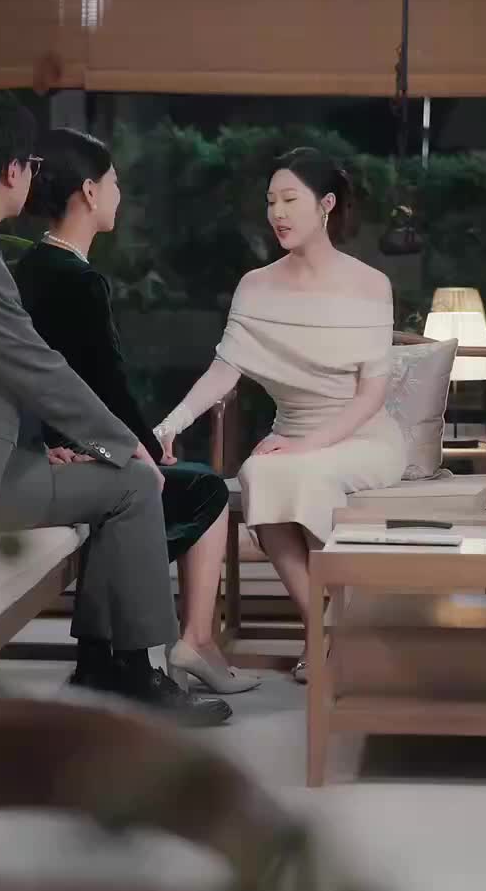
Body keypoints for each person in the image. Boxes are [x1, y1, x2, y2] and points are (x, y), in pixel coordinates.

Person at [0, 96, 230, 727]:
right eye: (31, 163)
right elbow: (40, 369)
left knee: (119, 479)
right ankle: (134, 673)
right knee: (133, 483)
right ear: (13, 170)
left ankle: (107, 664)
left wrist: (48, 446)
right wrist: (123, 445)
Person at [12, 129, 258, 698]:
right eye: (115, 182)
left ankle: (109, 654)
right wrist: (142, 450)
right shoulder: (78, 280)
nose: (119, 195)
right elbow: (106, 387)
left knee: (175, 484)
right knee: (203, 490)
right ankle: (151, 651)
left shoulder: (29, 268)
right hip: (82, 449)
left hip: (60, 443)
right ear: (89, 192)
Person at [154, 149, 405, 681]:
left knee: (298, 472)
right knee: (259, 471)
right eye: (271, 202)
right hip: (288, 439)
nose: (277, 213)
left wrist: (307, 445)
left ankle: (330, 638)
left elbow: (371, 396)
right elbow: (224, 371)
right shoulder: (256, 285)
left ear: (326, 205)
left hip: (363, 437)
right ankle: (328, 634)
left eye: (290, 200)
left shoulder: (370, 285)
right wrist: (170, 424)